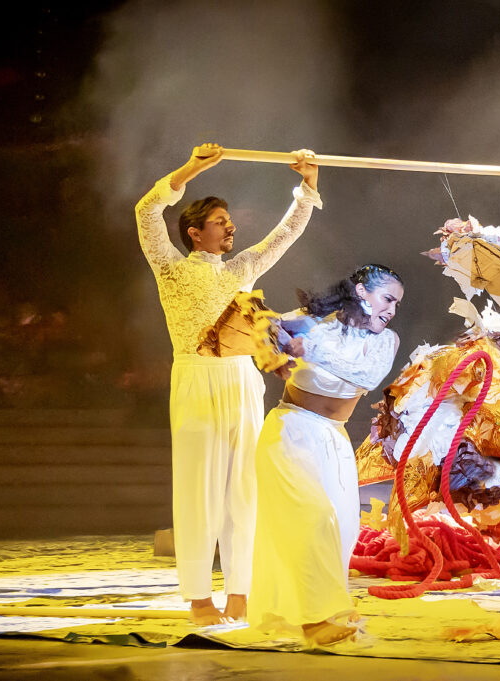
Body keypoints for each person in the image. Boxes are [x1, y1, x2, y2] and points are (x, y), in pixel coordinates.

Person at [135, 143, 321, 625]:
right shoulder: (170, 269)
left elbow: (283, 237)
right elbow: (146, 210)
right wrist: (189, 170)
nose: (230, 226)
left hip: (241, 381)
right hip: (196, 380)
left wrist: (308, 185)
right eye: (220, 220)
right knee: (198, 489)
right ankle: (199, 599)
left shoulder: (241, 270)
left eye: (230, 219)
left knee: (245, 488)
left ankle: (240, 592)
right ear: (194, 232)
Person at [248, 264, 404, 645]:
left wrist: (308, 348)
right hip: (291, 432)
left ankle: (322, 606)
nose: (392, 310)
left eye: (397, 303)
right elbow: (259, 331)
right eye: (387, 299)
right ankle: (315, 619)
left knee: (343, 530)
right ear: (362, 291)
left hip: (333, 442)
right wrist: (272, 350)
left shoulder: (385, 342)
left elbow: (365, 376)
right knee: (312, 518)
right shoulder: (310, 322)